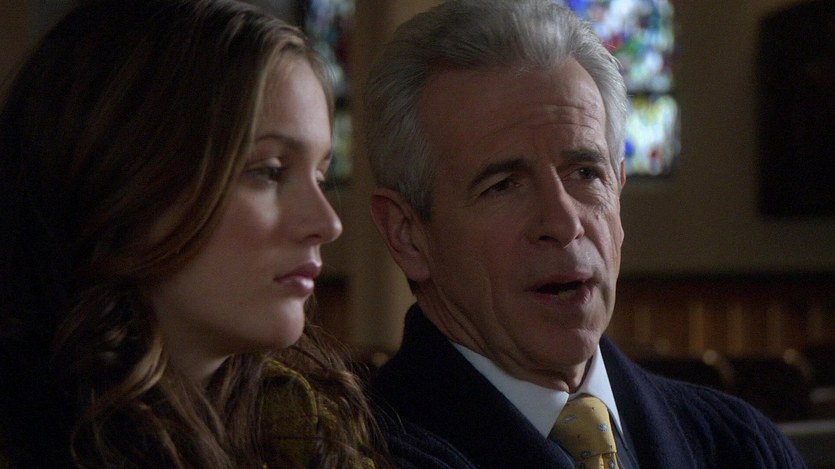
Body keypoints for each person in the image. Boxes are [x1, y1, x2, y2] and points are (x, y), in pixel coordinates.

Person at [363, 0, 807, 467]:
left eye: (585, 173)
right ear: (407, 234)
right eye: (504, 185)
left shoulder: (737, 445)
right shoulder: (362, 453)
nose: (564, 223)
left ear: (619, 193)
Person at [0, 1, 388, 467]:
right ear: (121, 180)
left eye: (321, 178)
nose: (327, 224)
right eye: (268, 171)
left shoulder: (307, 435)